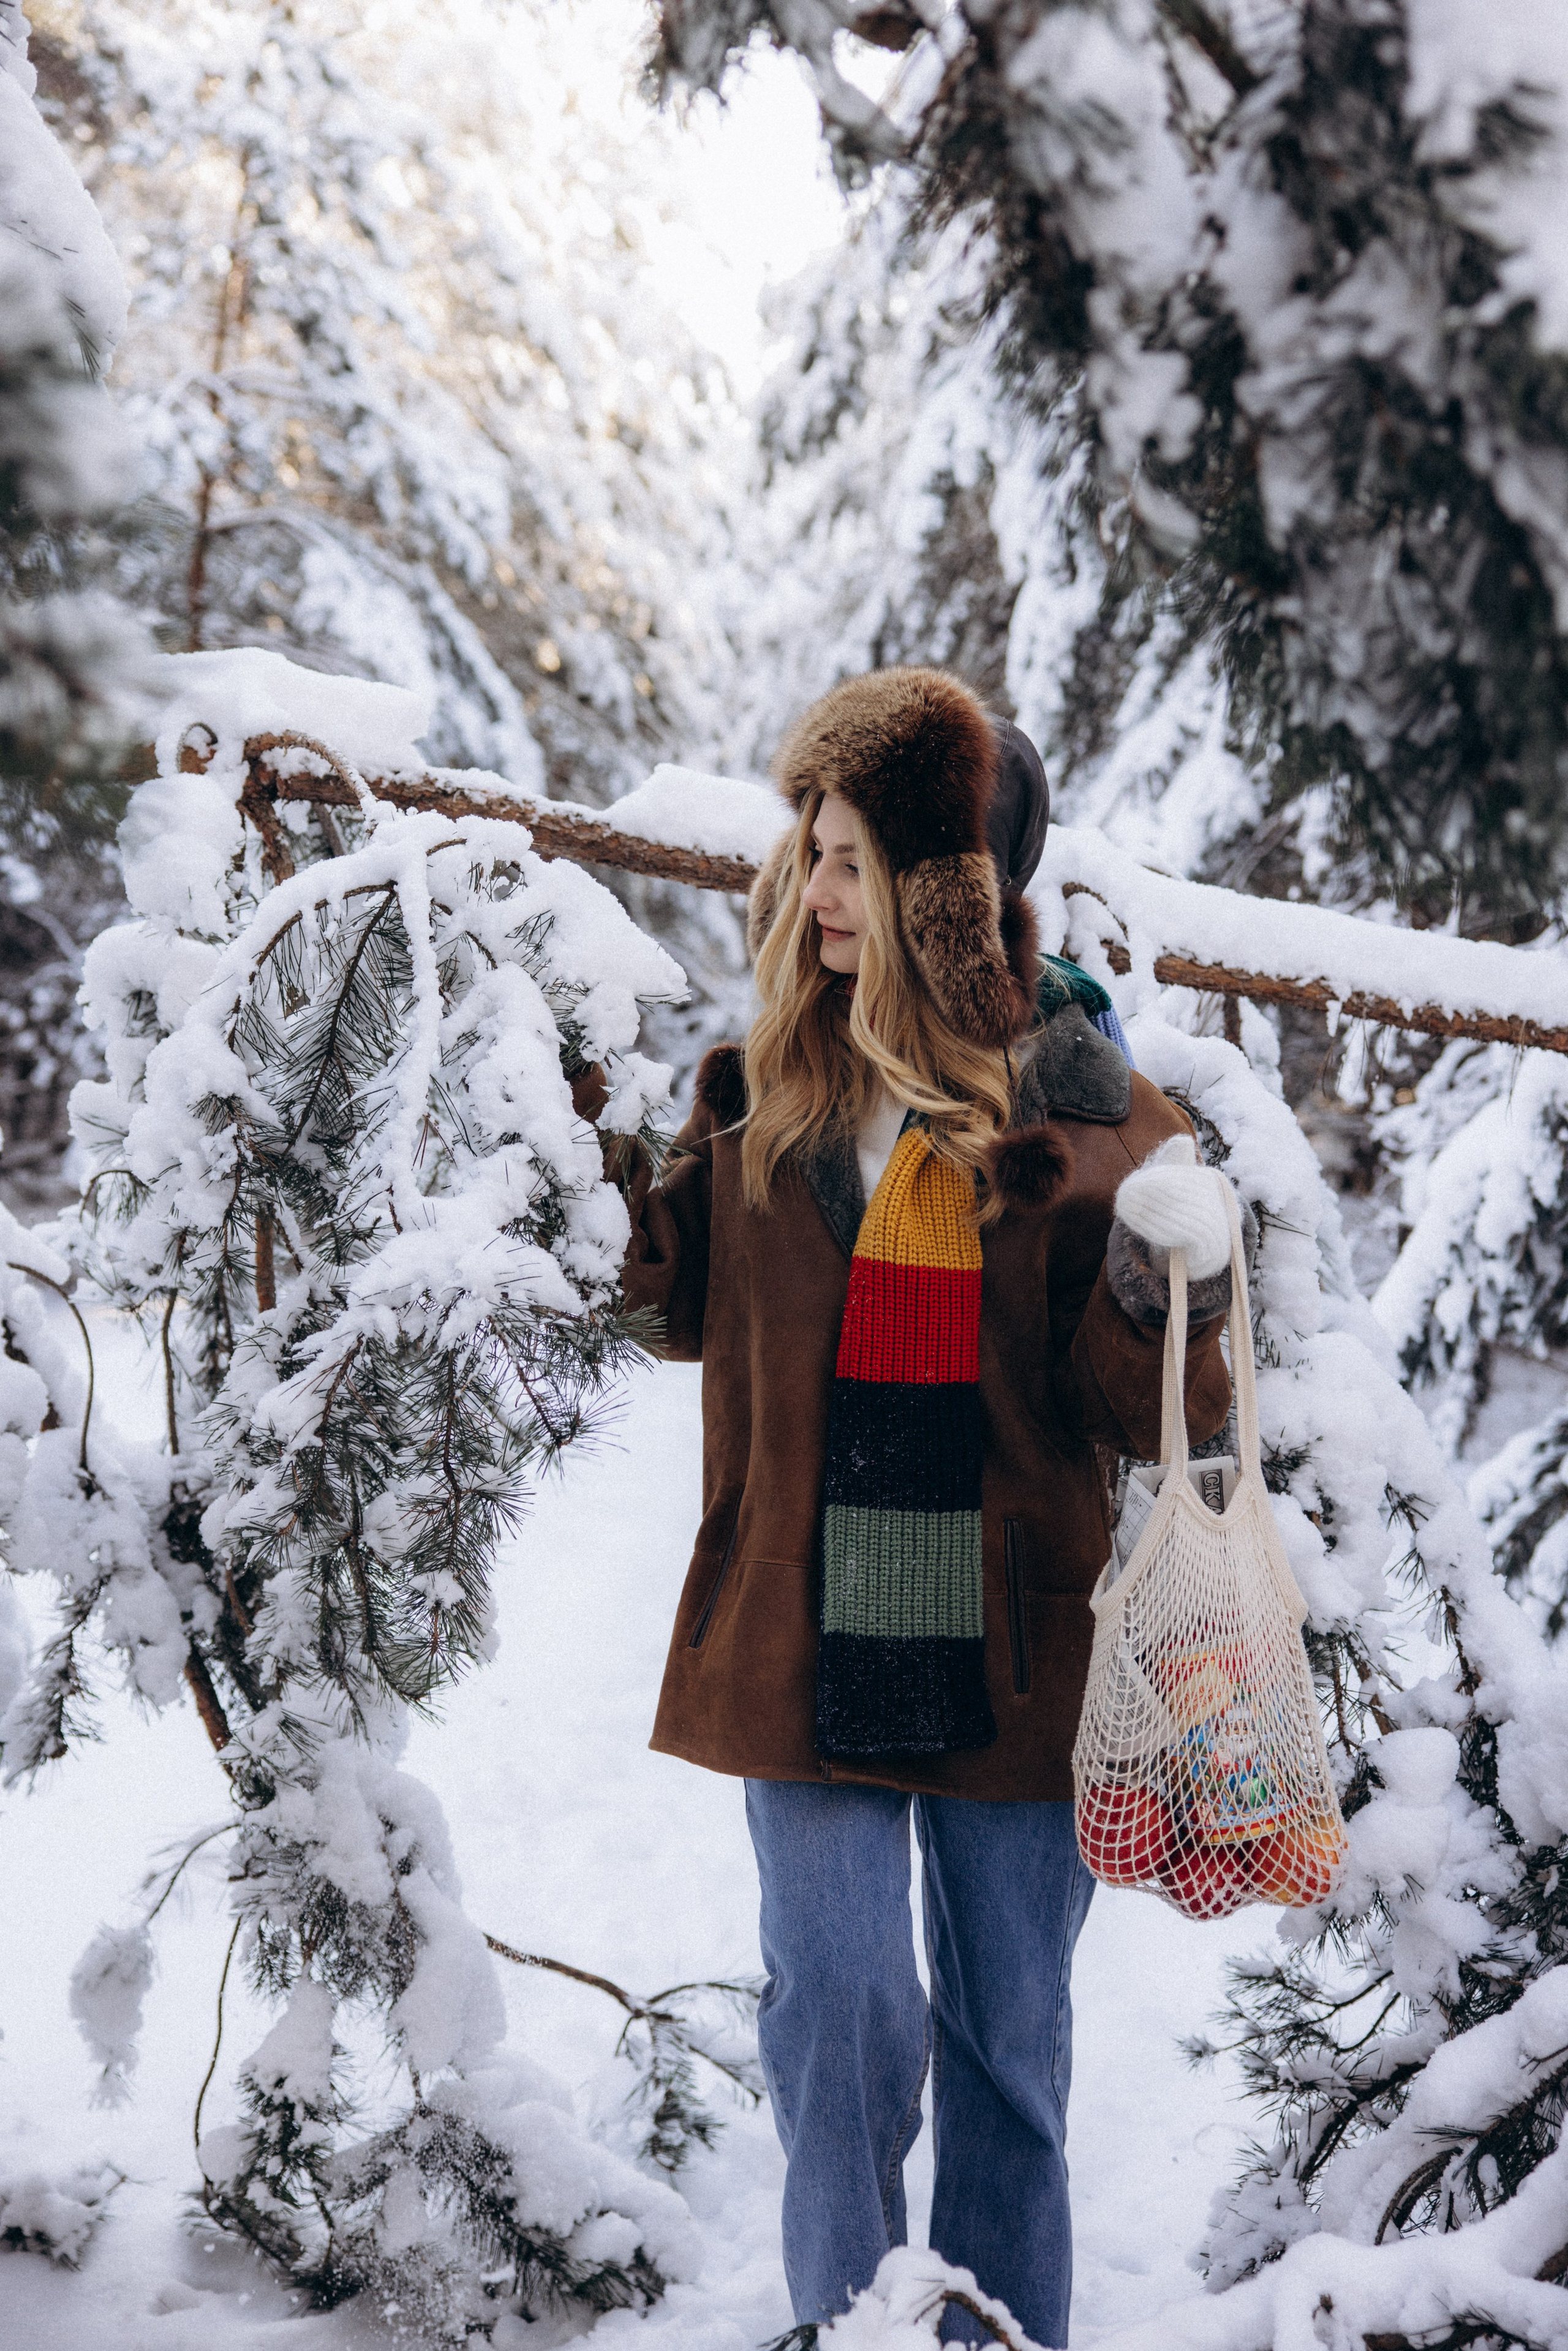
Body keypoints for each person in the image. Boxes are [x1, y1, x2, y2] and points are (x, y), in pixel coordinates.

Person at [619, 668, 1236, 2347]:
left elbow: (1167, 1414)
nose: (812, 893)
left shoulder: (1089, 1114)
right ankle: (852, 2325)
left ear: (946, 894)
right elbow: (670, 1311)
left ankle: (997, 2333)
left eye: (850, 861)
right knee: (841, 2018)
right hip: (796, 1631)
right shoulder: (763, 1094)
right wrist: (599, 1175)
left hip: (1021, 1645)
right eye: (806, 851)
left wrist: (1169, 1270)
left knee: (1006, 2048)